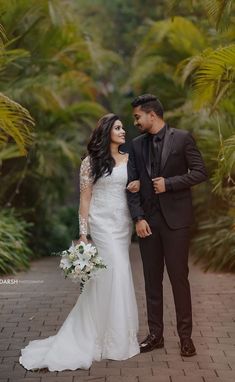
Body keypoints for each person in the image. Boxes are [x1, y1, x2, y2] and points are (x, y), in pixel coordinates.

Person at [19, 113, 140, 371]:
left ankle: (117, 336)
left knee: (118, 272)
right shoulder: (90, 163)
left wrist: (137, 185)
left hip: (122, 223)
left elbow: (135, 186)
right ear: (106, 131)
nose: (123, 131)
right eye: (118, 127)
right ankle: (102, 338)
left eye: (123, 128)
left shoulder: (130, 160)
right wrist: (83, 234)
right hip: (102, 222)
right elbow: (85, 200)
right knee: (114, 270)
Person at [126, 94, 207, 357]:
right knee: (151, 281)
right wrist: (138, 218)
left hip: (176, 223)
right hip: (148, 223)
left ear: (152, 114)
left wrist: (169, 184)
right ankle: (155, 335)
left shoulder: (182, 138)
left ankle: (186, 338)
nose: (135, 121)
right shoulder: (136, 145)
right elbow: (132, 184)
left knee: (178, 280)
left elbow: (199, 172)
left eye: (137, 116)